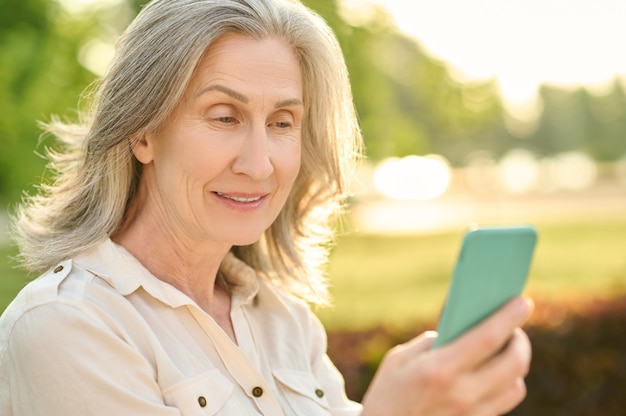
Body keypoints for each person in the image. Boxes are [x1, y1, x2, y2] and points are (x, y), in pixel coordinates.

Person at [0, 0, 533, 414]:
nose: (260, 165)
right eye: (224, 116)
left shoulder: (285, 323)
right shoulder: (66, 326)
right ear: (142, 133)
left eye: (282, 122)